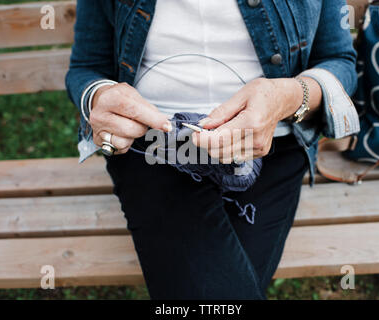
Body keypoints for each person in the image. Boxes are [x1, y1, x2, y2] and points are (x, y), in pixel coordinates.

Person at [66, 0, 360, 300]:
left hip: (268, 145)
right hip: (155, 147)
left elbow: (339, 60)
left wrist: (290, 96)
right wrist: (98, 97)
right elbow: (87, 67)